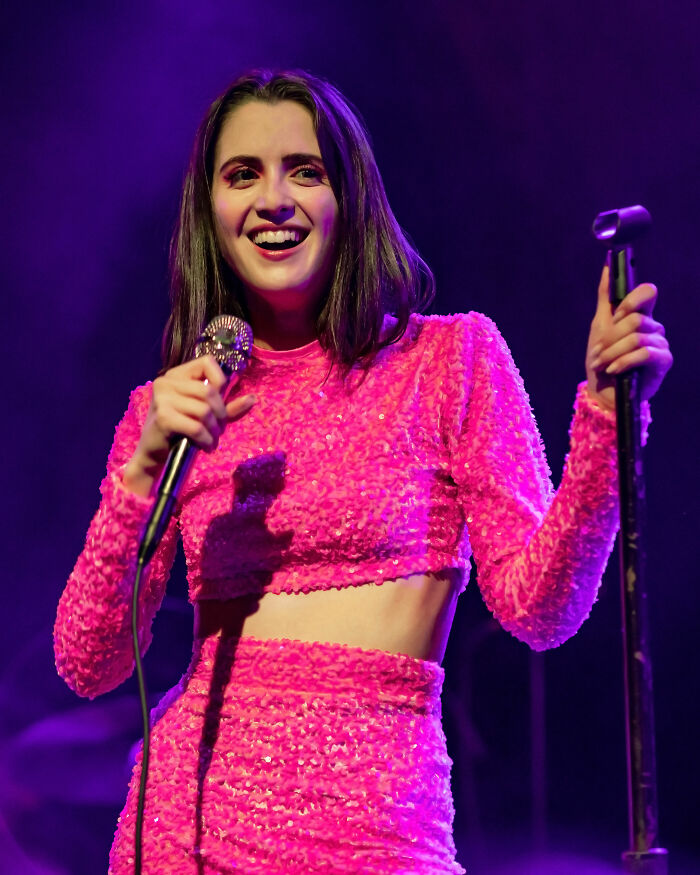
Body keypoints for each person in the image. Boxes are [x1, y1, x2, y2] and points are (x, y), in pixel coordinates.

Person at [53, 69, 672, 874]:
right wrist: (138, 477)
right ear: (211, 211)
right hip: (190, 826)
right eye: (243, 174)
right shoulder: (175, 406)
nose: (273, 199)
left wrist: (601, 414)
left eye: (304, 170)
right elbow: (88, 662)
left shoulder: (450, 360)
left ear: (350, 198)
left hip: (378, 829)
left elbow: (540, 608)